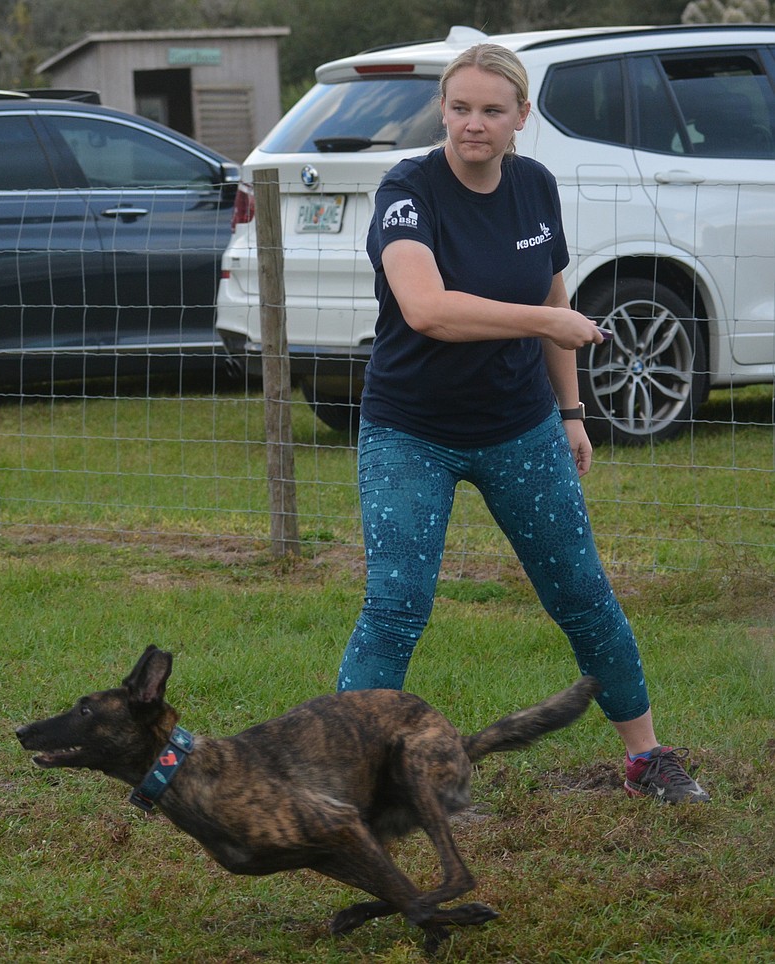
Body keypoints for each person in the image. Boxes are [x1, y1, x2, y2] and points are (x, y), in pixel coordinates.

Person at [335, 43, 709, 805]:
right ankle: (343, 777)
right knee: (396, 604)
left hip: (519, 426)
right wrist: (549, 318)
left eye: (492, 111)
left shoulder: (535, 186)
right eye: (461, 107)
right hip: (410, 430)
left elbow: (553, 292)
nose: (474, 124)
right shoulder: (408, 188)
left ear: (521, 118)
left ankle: (647, 761)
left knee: (581, 592)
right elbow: (426, 308)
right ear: (443, 109)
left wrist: (570, 410)